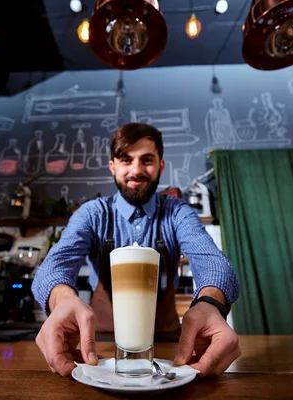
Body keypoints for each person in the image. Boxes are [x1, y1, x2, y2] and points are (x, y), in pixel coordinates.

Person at [31, 122, 240, 378]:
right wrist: (62, 299)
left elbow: (213, 262)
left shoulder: (177, 212)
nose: (136, 170)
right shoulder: (92, 214)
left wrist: (210, 302)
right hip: (101, 345)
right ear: (113, 166)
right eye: (125, 160)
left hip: (170, 344)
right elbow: (56, 263)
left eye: (147, 160)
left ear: (161, 165)